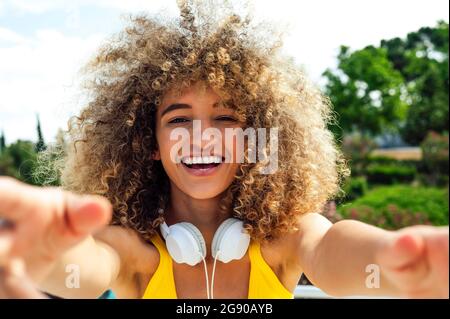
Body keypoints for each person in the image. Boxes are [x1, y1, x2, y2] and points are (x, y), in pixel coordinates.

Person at [0, 0, 448, 299]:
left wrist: (392, 259)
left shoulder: (285, 240)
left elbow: (334, 245)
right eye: (178, 119)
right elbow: (87, 264)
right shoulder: (135, 251)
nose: (203, 136)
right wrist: (43, 252)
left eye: (226, 117)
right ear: (148, 144)